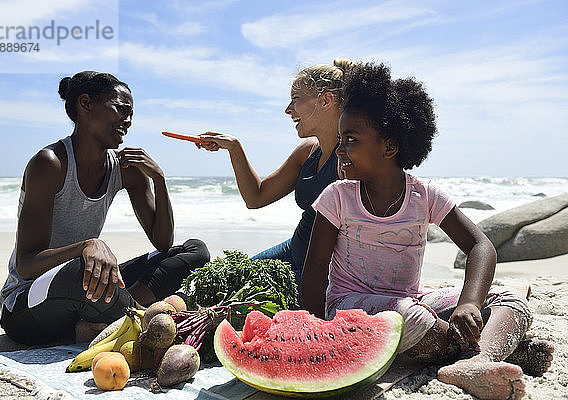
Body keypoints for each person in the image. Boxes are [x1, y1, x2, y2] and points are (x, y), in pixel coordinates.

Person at [301, 62, 553, 400]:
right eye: (340, 140)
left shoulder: (425, 195)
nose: (340, 150)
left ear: (389, 147)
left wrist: (470, 305)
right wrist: (316, 335)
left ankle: (478, 361)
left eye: (350, 140)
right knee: (413, 317)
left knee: (509, 297)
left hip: (411, 301)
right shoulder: (337, 197)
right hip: (349, 308)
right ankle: (495, 350)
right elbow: (315, 270)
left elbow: (481, 246)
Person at [0, 71, 210, 345]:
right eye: (121, 110)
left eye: (132, 114)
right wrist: (85, 247)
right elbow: (26, 266)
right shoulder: (49, 164)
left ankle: (111, 317)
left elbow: (163, 242)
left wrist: (159, 179)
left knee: (194, 250)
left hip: (84, 288)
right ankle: (136, 319)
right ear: (85, 104)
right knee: (80, 270)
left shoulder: (125, 169)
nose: (128, 121)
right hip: (27, 305)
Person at [197, 59, 351, 290]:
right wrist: (234, 148)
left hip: (326, 272)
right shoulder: (307, 151)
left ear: (325, 100)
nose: (288, 110)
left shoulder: (351, 160)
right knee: (228, 282)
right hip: (293, 251)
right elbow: (256, 197)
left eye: (296, 100)